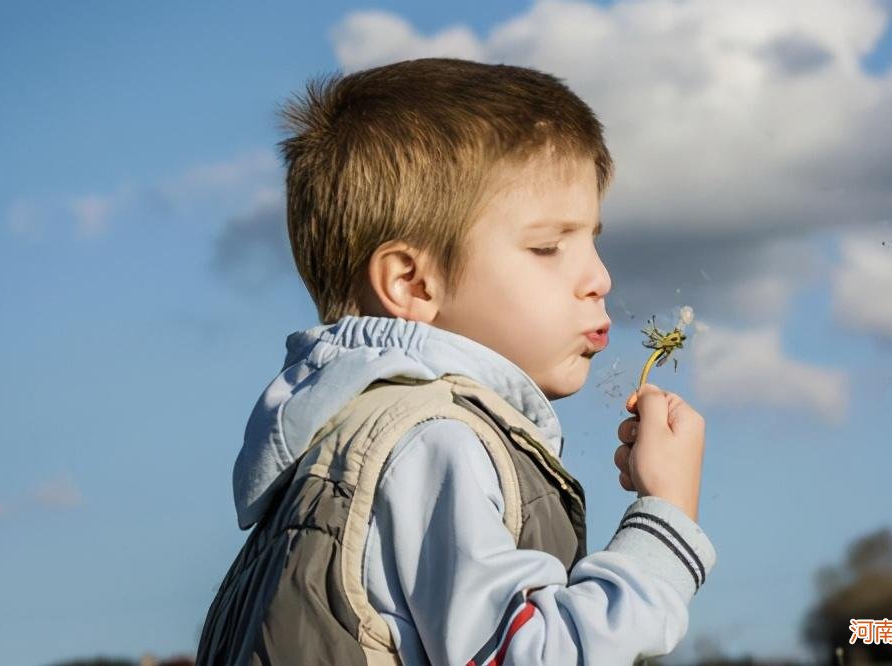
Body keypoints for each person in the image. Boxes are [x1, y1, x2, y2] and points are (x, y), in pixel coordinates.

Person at [196, 57, 716, 665]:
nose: (599, 278)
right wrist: (665, 518)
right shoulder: (431, 442)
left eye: (592, 241)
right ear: (413, 284)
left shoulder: (346, 444)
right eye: (547, 247)